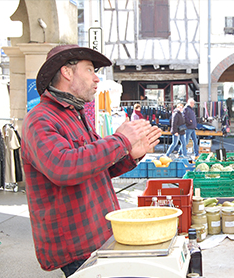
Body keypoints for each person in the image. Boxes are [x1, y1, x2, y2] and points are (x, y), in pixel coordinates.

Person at [21, 44, 162, 277]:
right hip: (77, 246)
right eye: (89, 70)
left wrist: (131, 154)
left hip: (98, 236)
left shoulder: (73, 114)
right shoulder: (40, 119)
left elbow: (96, 167)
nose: (96, 79)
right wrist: (121, 140)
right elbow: (64, 167)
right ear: (67, 72)